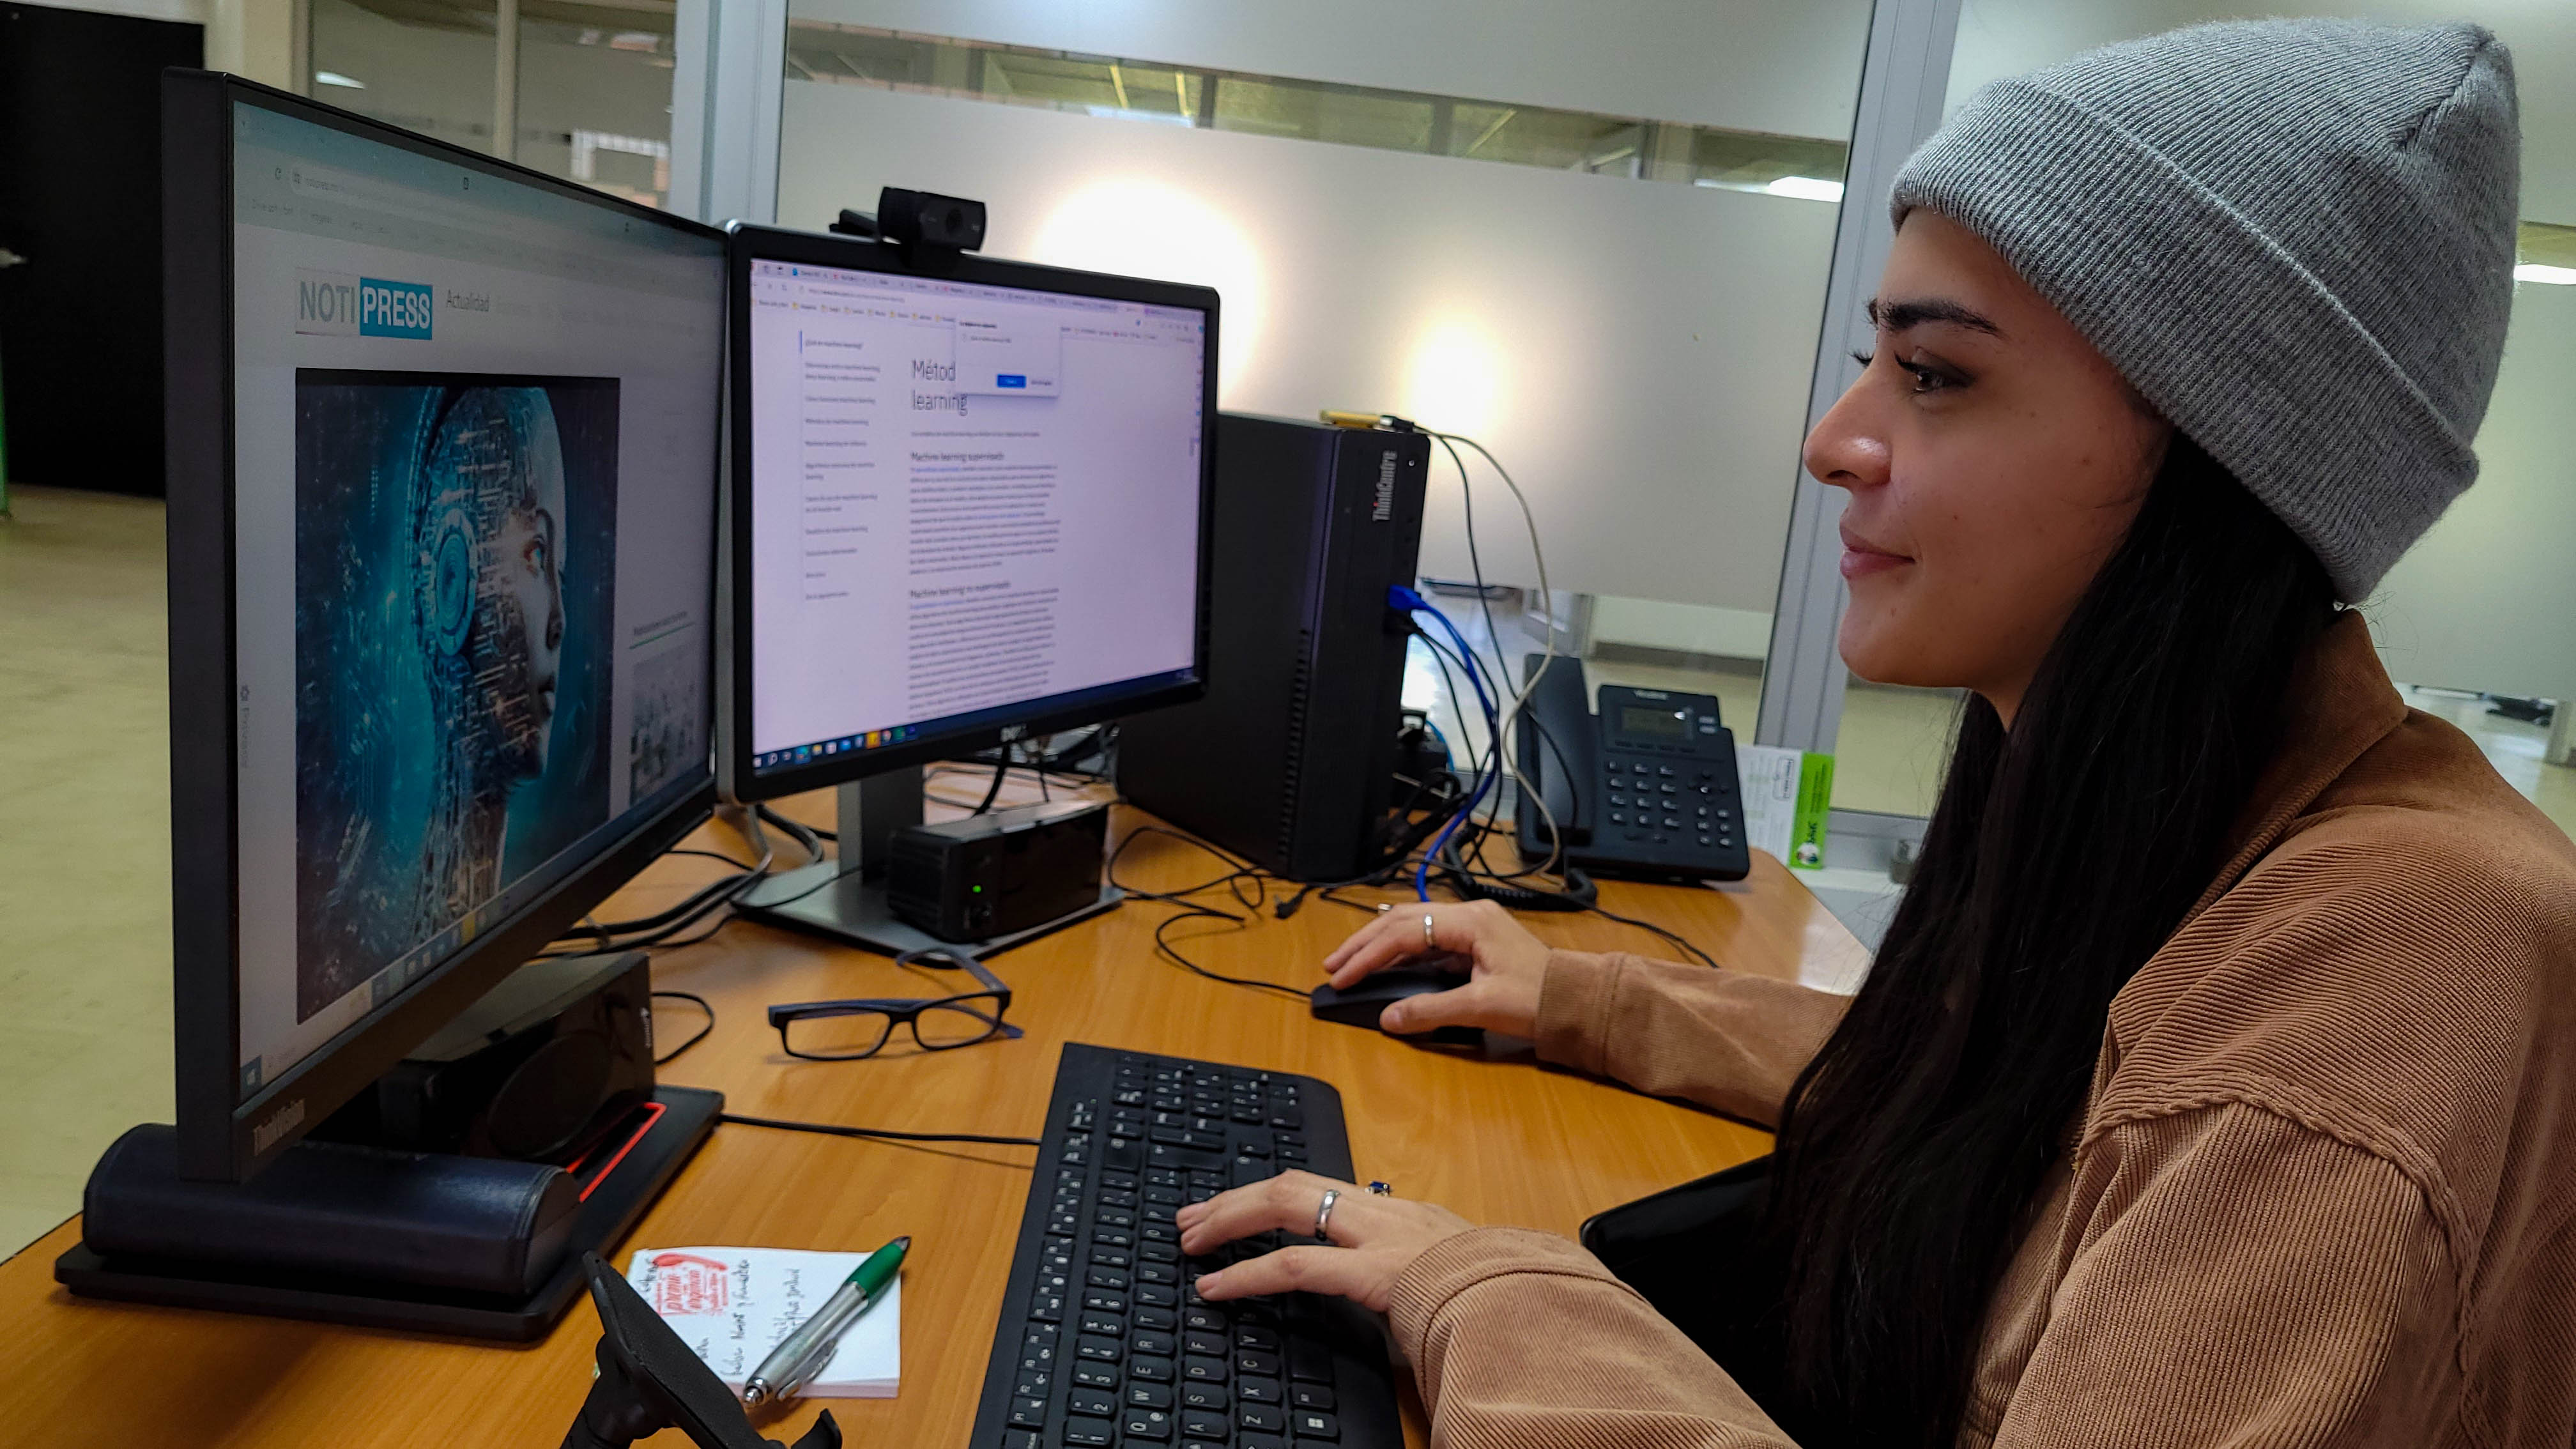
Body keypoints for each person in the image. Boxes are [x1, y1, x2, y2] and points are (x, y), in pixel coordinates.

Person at [1177, 19, 2576, 1448]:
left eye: (1937, 374)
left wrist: (1483, 1291)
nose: (1833, 438)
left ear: (2228, 461)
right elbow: (2005, 1094)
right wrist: (1588, 1001)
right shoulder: (2205, 816)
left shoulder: (2395, 966)